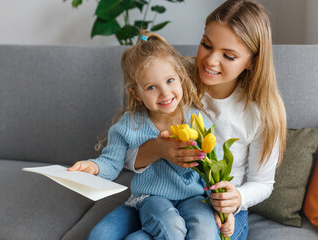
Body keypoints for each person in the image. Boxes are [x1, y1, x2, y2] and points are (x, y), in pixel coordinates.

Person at [87, 0, 287, 240]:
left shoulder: (261, 112)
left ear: (253, 60)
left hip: (214, 204)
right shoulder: (173, 77)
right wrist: (159, 149)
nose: (211, 61)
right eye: (206, 44)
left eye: (229, 55)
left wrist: (237, 198)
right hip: (156, 195)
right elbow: (124, 151)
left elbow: (263, 183)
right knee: (101, 235)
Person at [68, 30, 234, 240]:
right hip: (151, 197)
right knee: (171, 229)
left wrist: (223, 211)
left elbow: (215, 169)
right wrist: (92, 167)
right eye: (151, 87)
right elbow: (111, 163)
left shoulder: (198, 121)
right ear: (136, 93)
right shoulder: (128, 125)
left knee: (206, 232)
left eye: (170, 80)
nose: (165, 93)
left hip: (194, 197)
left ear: (181, 79)